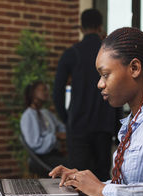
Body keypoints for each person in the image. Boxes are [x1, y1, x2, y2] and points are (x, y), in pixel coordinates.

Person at [49, 27, 143, 196]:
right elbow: (129, 186)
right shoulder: (133, 121)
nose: (100, 84)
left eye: (105, 74)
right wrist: (85, 182)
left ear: (134, 68)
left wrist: (101, 189)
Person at [53, 8, 123, 181]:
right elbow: (120, 88)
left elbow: (57, 91)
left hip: (78, 126)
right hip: (104, 127)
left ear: (81, 28)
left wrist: (67, 118)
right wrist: (116, 127)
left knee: (76, 179)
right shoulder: (111, 54)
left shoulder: (72, 53)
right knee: (101, 180)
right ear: (100, 27)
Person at [20, 81, 67, 168]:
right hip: (41, 158)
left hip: (54, 154)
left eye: (47, 90)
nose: (46, 93)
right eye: (43, 90)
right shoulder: (28, 116)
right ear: (33, 93)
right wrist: (55, 136)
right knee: (74, 165)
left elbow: (61, 127)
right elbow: (34, 144)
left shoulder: (45, 113)